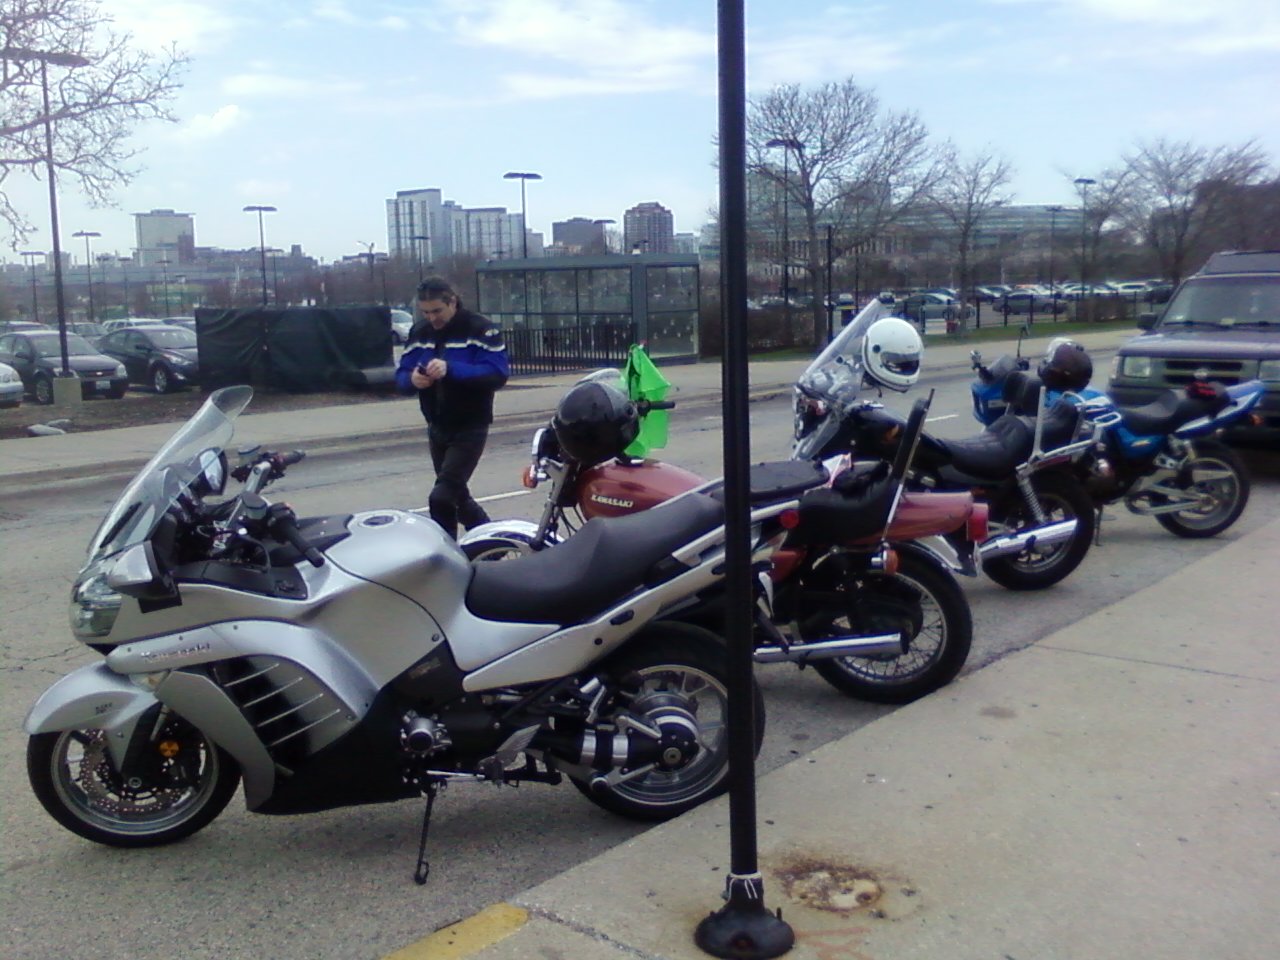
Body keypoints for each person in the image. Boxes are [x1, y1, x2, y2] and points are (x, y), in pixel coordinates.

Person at [395, 277, 509, 539]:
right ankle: (494, 543)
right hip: (437, 425)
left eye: (437, 311)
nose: (432, 318)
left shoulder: (480, 329)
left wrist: (451, 369)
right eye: (426, 312)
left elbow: (497, 373)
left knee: (442, 497)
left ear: (452, 302)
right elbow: (402, 375)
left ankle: (446, 554)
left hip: (470, 425)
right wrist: (412, 380)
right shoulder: (420, 332)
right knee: (458, 497)